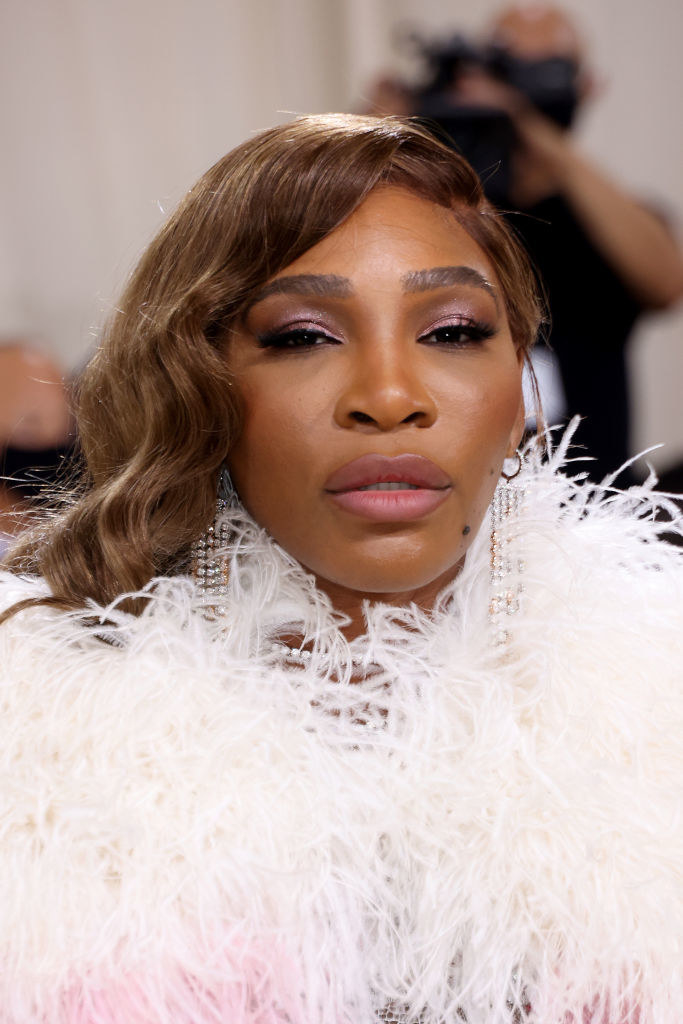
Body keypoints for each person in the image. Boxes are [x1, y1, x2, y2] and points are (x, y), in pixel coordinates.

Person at [0, 114, 681, 1024]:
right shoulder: (36, 737)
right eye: (302, 337)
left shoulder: (656, 699)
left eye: (449, 330)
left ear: (521, 386)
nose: (389, 397)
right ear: (195, 386)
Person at [367, 4, 683, 481]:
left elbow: (665, 281)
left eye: (547, 70)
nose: (523, 88)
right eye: (509, 69)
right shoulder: (450, 211)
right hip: (471, 492)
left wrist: (528, 126)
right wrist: (377, 139)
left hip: (598, 495)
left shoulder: (610, 214)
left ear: (588, 84)